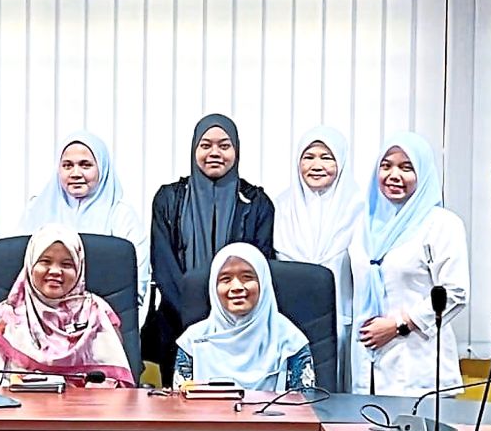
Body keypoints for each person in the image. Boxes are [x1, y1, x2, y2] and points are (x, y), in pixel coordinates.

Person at [148, 114, 276, 385]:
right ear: (194, 150)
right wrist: (190, 312)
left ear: (236, 151)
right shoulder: (169, 198)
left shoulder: (257, 202)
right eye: (205, 145)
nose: (214, 153)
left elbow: (260, 264)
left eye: (224, 145)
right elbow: (163, 263)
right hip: (177, 323)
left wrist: (227, 311)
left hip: (239, 325)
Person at [349, 133, 469, 397]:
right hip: (366, 365)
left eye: (406, 168)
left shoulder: (442, 224)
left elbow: (455, 293)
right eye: (386, 165)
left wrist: (399, 325)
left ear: (424, 174)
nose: (394, 175)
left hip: (419, 365)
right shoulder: (362, 224)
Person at [0, 224, 136, 388]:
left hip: (85, 410)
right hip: (18, 411)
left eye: (66, 265)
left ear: (79, 269)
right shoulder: (1, 320)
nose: (55, 271)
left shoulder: (98, 313)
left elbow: (117, 386)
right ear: (30, 266)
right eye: (45, 261)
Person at [18, 131, 150, 328]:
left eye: (85, 165)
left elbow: (136, 282)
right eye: (67, 165)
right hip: (40, 323)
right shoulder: (37, 209)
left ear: (102, 168)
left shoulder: (120, 214)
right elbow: (19, 269)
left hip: (102, 326)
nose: (76, 173)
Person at [273, 126, 363, 391]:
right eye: (308, 156)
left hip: (343, 317)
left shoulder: (361, 208)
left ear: (342, 161)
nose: (316, 165)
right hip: (290, 317)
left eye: (327, 157)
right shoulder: (280, 206)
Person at [175, 243, 314, 391]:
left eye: (247, 277)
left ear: (263, 283)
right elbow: (180, 405)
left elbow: (305, 405)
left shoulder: (290, 340)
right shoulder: (193, 341)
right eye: (226, 279)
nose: (236, 287)